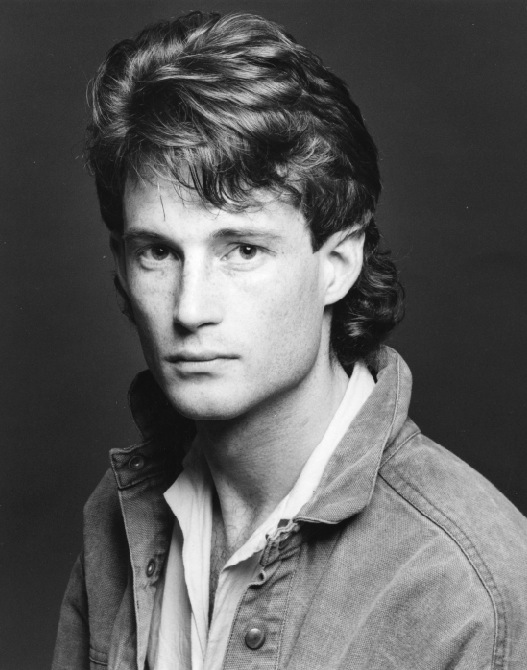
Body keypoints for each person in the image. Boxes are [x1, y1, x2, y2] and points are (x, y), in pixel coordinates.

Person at [52, 10, 527, 670]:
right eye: (158, 253)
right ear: (121, 266)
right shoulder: (117, 514)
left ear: (338, 264)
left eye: (242, 250)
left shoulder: (468, 589)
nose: (190, 309)